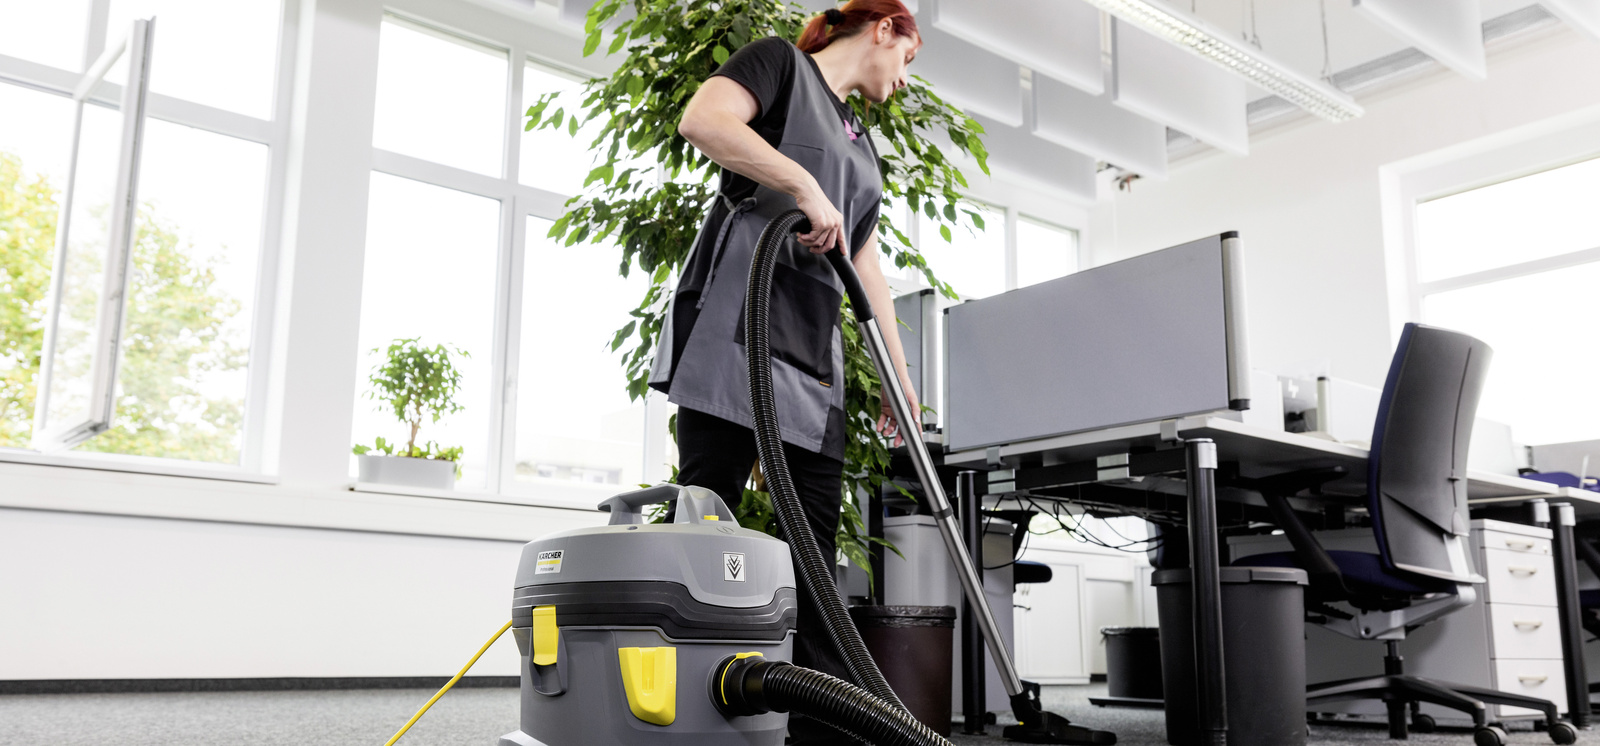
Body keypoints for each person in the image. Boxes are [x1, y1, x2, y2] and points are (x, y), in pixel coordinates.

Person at [646, 1, 922, 742]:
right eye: (910, 57)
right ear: (885, 29)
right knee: (706, 524)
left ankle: (822, 731)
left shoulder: (865, 147)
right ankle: (682, 714)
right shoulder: (778, 65)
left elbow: (866, 268)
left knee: (816, 565)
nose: (906, 77)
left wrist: (898, 375)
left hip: (811, 362)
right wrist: (801, 183)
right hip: (734, 334)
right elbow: (704, 122)